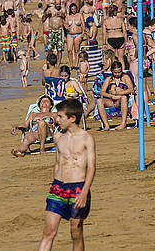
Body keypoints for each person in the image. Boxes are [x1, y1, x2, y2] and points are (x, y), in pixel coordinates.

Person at [38, 99, 96, 251]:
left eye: (60, 116)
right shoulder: (58, 138)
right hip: (58, 187)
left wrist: (84, 192)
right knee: (49, 231)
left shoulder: (86, 138)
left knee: (75, 231)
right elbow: (57, 163)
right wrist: (53, 183)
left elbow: (91, 167)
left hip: (78, 188)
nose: (57, 120)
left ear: (72, 118)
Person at [95, 61, 132, 130]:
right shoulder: (108, 79)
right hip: (111, 100)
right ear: (112, 71)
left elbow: (131, 89)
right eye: (115, 72)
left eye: (119, 72)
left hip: (122, 100)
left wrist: (119, 93)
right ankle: (106, 125)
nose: (117, 74)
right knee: (99, 101)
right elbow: (102, 92)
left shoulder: (125, 77)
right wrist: (111, 96)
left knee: (124, 97)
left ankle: (123, 123)